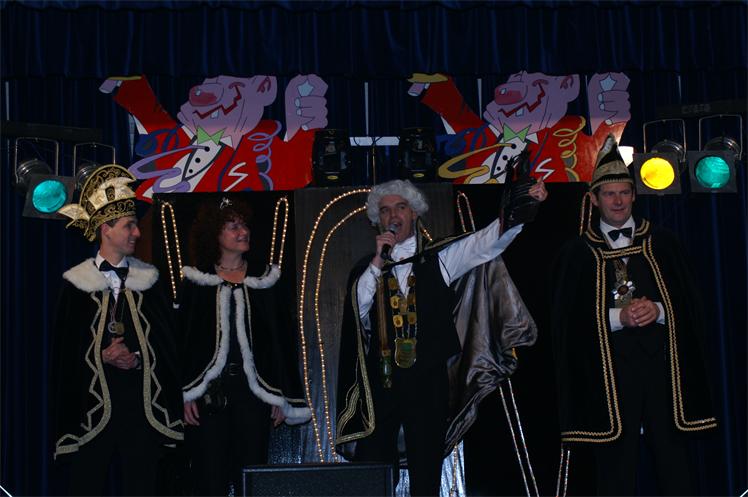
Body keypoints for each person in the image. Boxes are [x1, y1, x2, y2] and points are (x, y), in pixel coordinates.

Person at [335, 178, 547, 495]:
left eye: (401, 207)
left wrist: (523, 206)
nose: (393, 215)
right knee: (374, 473)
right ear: (378, 219)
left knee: (426, 473)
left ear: (414, 213)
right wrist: (379, 261)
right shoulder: (369, 269)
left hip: (427, 383)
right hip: (383, 383)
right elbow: (358, 308)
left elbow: (487, 242)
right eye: (385, 210)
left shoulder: (440, 259)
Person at [551, 135, 718, 495]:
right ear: (594, 199)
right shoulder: (577, 253)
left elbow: (692, 306)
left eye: (624, 193)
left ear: (634, 196)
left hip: (663, 375)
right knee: (615, 470)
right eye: (609, 194)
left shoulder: (663, 242)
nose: (618, 201)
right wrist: (617, 318)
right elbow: (566, 323)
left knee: (675, 466)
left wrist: (659, 309)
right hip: (610, 379)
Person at [53, 164, 183, 495]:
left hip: (141, 409)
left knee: (142, 486)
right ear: (106, 229)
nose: (136, 233)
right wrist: (101, 356)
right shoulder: (76, 284)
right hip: (92, 411)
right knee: (86, 486)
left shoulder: (150, 282)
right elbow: (64, 355)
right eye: (129, 226)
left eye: (135, 226)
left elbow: (168, 346)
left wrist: (137, 358)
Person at [179, 197, 311, 496]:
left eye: (244, 225)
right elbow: (185, 342)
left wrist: (280, 394)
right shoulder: (197, 282)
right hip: (209, 397)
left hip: (253, 395)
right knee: (209, 479)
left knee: (251, 479)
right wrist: (185, 394)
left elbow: (281, 340)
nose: (243, 232)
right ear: (215, 234)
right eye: (233, 226)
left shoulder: (266, 280)